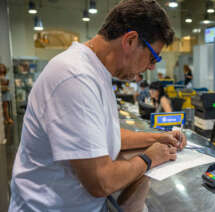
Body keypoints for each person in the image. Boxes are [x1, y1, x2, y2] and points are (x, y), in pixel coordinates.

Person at [9, 1, 187, 211]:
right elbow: (101, 181)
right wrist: (149, 159)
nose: (151, 66)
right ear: (130, 40)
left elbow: (103, 136)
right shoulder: (75, 77)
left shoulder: (96, 72)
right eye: (153, 56)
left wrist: (158, 137)